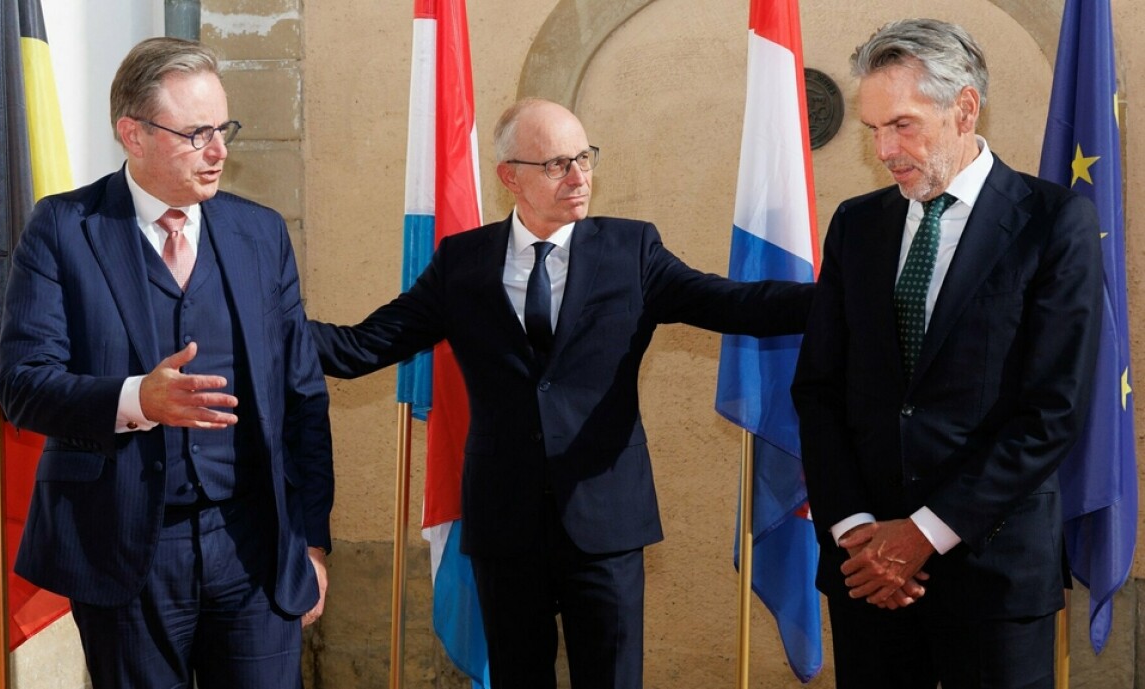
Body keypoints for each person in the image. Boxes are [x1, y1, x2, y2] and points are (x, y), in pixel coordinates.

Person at [309, 97, 812, 689]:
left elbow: (734, 303)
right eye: (556, 165)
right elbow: (360, 347)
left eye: (584, 158)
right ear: (509, 177)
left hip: (606, 522)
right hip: (505, 522)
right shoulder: (462, 262)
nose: (578, 178)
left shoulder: (633, 250)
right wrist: (252, 322)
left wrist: (843, 295)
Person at [0, 37, 333, 688]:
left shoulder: (261, 233)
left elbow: (302, 397)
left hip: (254, 547)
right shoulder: (63, 229)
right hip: (124, 553)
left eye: (224, 128)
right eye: (197, 133)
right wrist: (137, 400)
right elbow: (23, 385)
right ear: (134, 134)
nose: (219, 150)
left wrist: (311, 544)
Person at [792, 18, 1103, 689]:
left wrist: (925, 532)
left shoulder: (1052, 223)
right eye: (873, 129)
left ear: (964, 108)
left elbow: (1052, 409)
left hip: (993, 578)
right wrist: (856, 531)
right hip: (866, 574)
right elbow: (818, 389)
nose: (884, 150)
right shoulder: (857, 223)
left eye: (902, 125)